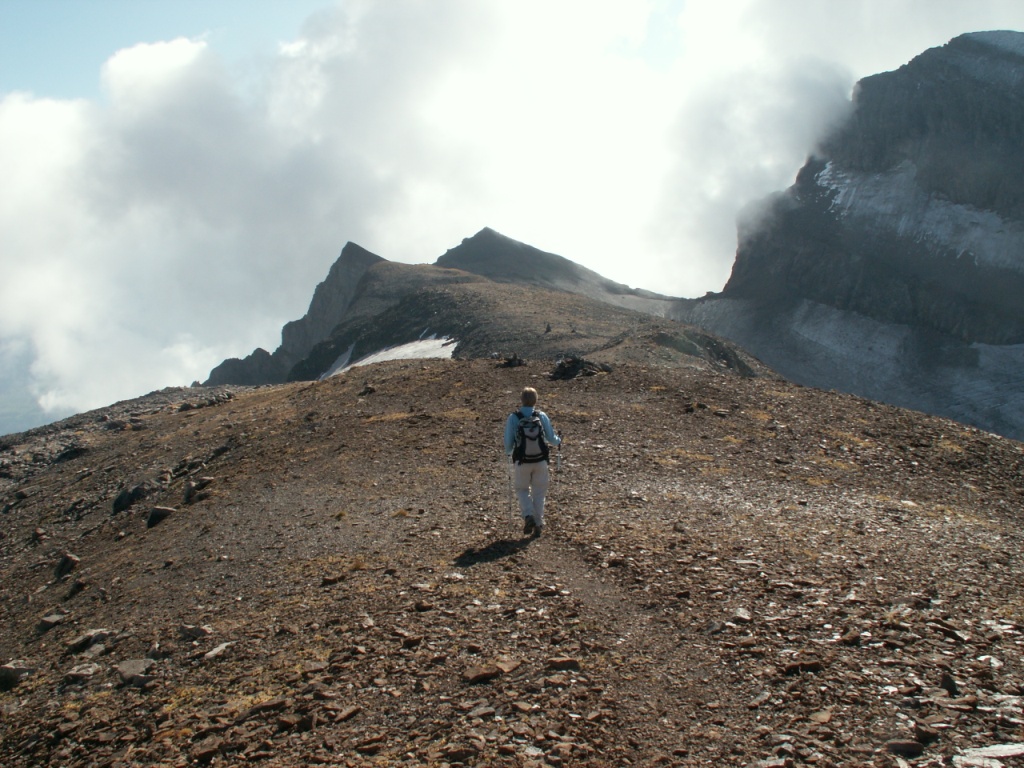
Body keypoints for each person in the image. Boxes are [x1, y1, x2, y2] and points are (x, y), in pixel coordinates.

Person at [504, 387, 561, 537]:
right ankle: (538, 523)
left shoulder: (513, 417)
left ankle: (528, 515)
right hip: (540, 459)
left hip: (522, 460)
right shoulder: (541, 416)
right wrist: (559, 440)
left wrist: (509, 453)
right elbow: (551, 438)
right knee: (539, 492)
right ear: (536, 400)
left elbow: (508, 444)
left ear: (521, 399)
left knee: (522, 489)